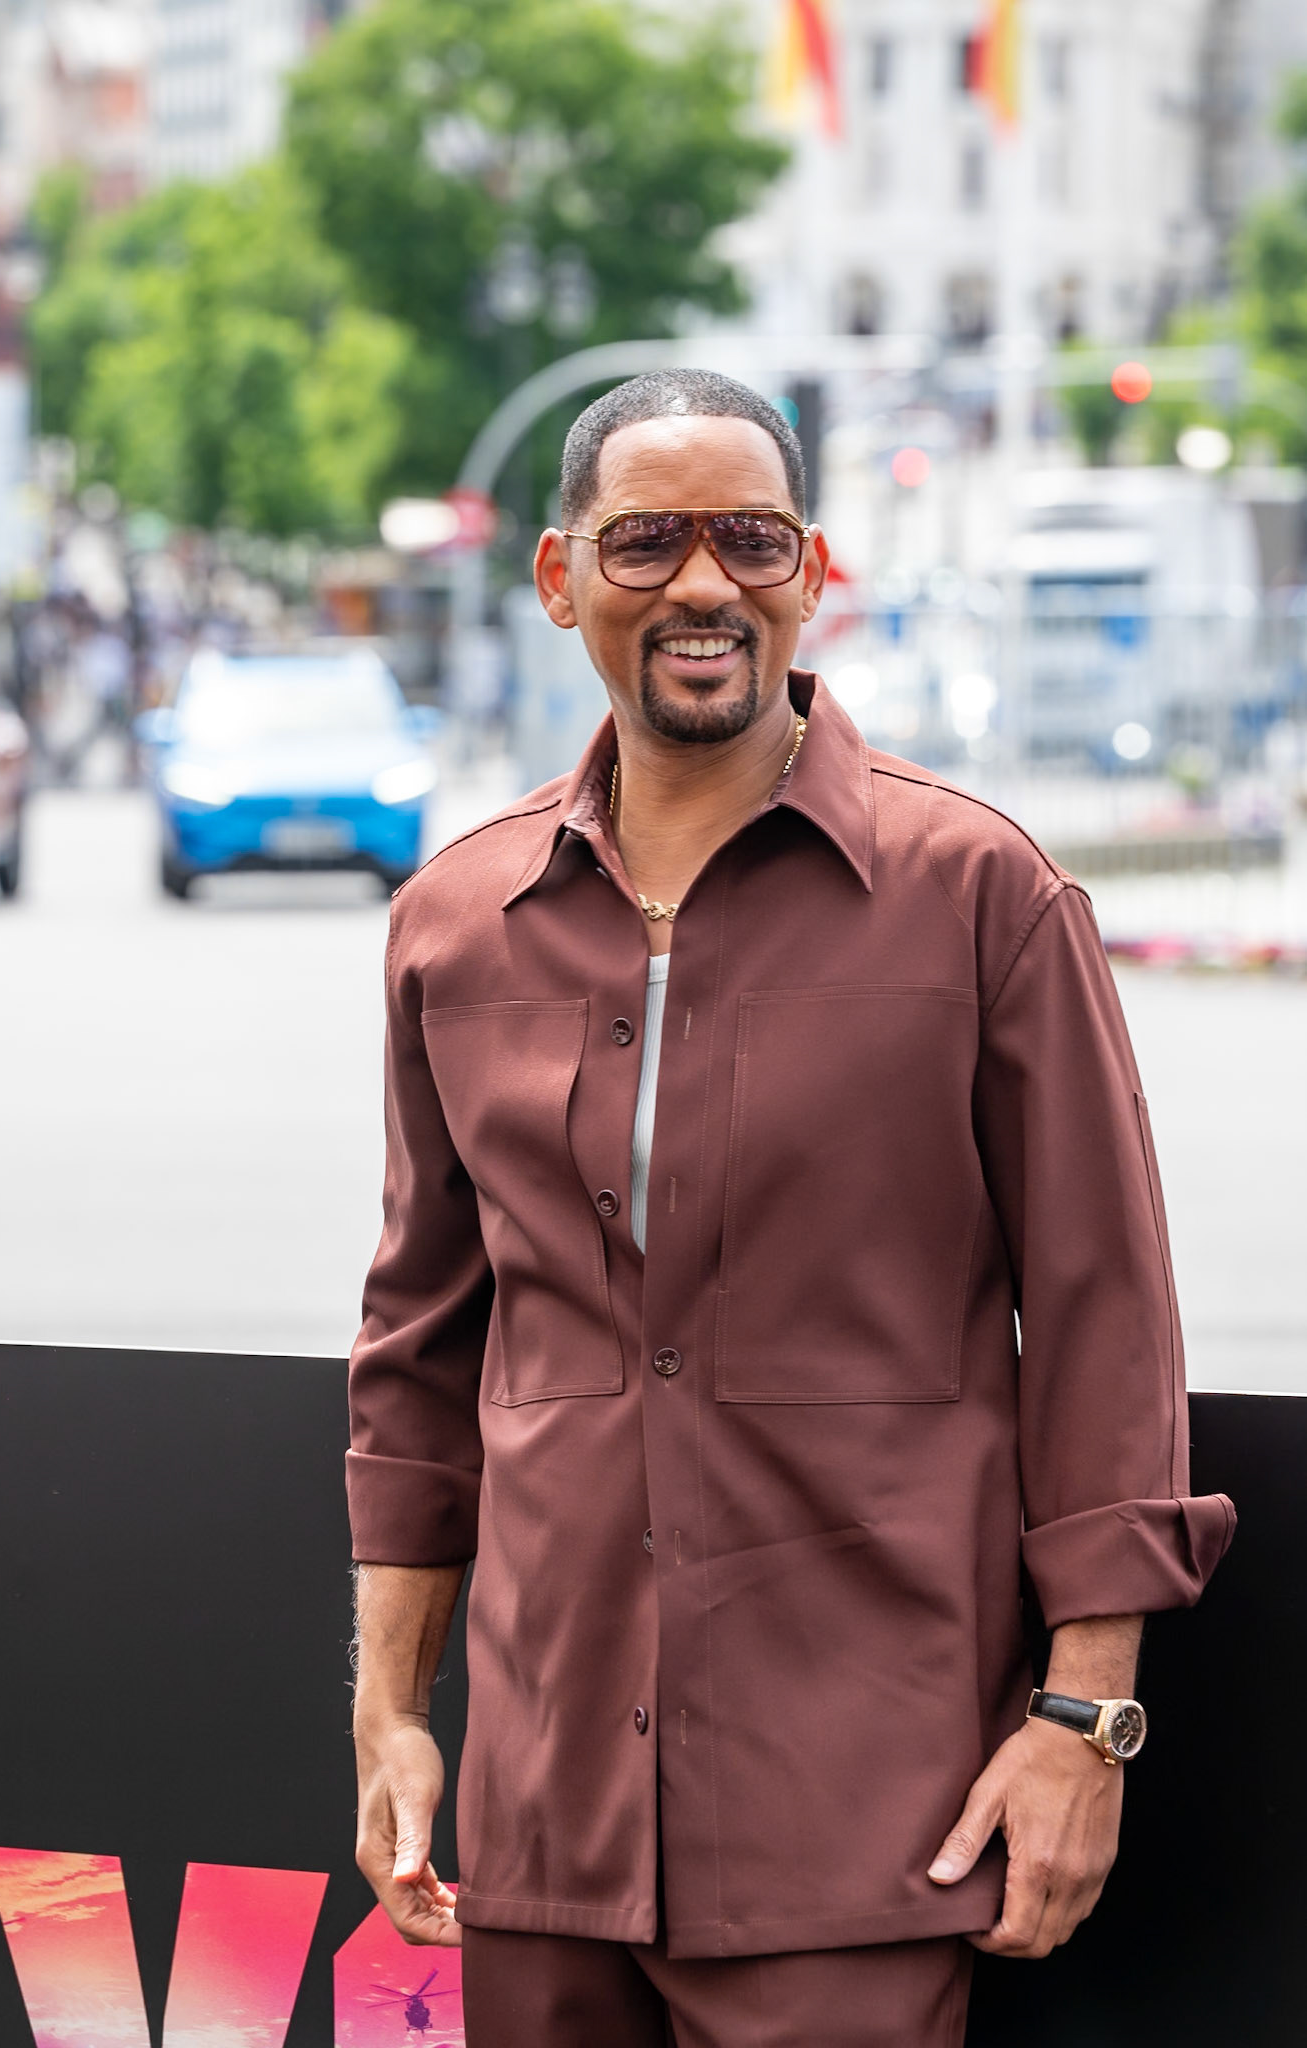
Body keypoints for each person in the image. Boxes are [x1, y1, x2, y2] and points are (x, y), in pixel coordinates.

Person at [347, 370, 1234, 2048]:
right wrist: (392, 1715)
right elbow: (417, 1351)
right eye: (647, 543)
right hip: (540, 1835)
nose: (702, 585)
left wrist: (1084, 1719)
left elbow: (1107, 1324)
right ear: (557, 579)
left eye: (749, 540)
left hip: (863, 1819)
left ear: (810, 571)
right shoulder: (454, 923)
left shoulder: (982, 895)